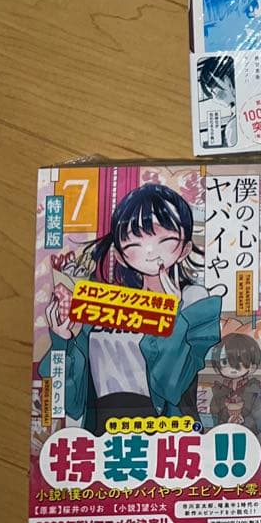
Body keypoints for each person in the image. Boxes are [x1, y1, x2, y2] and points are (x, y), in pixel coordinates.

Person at [39, 184, 223, 434]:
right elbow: (69, 402)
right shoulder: (104, 303)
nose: (150, 250)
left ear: (185, 249)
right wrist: (63, 341)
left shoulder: (194, 302)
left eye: (165, 238)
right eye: (134, 240)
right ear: (120, 254)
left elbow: (173, 385)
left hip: (166, 434)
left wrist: (170, 317)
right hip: (104, 433)